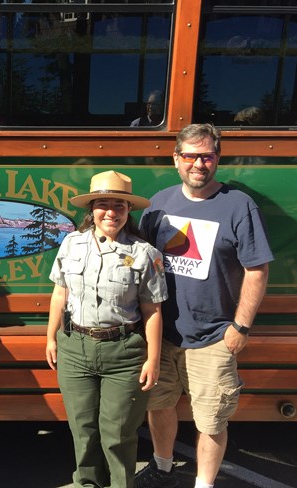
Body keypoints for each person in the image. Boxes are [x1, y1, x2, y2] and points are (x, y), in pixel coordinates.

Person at [136, 124, 274, 488]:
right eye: (191, 156)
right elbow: (139, 264)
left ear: (217, 159)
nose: (199, 163)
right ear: (176, 159)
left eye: (207, 156)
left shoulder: (238, 205)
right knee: (159, 405)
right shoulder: (159, 204)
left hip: (215, 337)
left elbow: (257, 269)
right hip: (162, 335)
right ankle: (162, 466)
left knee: (212, 420)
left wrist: (240, 328)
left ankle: (204, 484)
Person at [46, 170, 168, 488]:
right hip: (75, 347)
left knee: (118, 434)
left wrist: (152, 360)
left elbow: (152, 310)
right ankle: (86, 483)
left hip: (124, 352)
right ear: (92, 209)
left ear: (129, 211)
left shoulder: (144, 254)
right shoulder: (72, 244)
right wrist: (51, 337)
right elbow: (60, 292)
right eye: (103, 204)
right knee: (82, 429)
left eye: (119, 205)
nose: (111, 212)